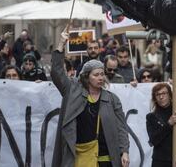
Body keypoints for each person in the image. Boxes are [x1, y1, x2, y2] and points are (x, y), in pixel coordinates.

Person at [51, 30, 130, 167]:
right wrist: (60, 45)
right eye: (96, 75)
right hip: (80, 159)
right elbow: (57, 73)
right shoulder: (73, 92)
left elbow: (121, 128)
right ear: (86, 77)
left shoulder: (112, 99)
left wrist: (124, 151)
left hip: (106, 160)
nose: (100, 78)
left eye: (102, 74)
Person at [146, 83, 176, 167]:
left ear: (170, 95)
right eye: (158, 94)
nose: (161, 97)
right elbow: (153, 140)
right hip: (160, 161)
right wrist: (169, 124)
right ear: (154, 98)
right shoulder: (151, 117)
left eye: (164, 93)